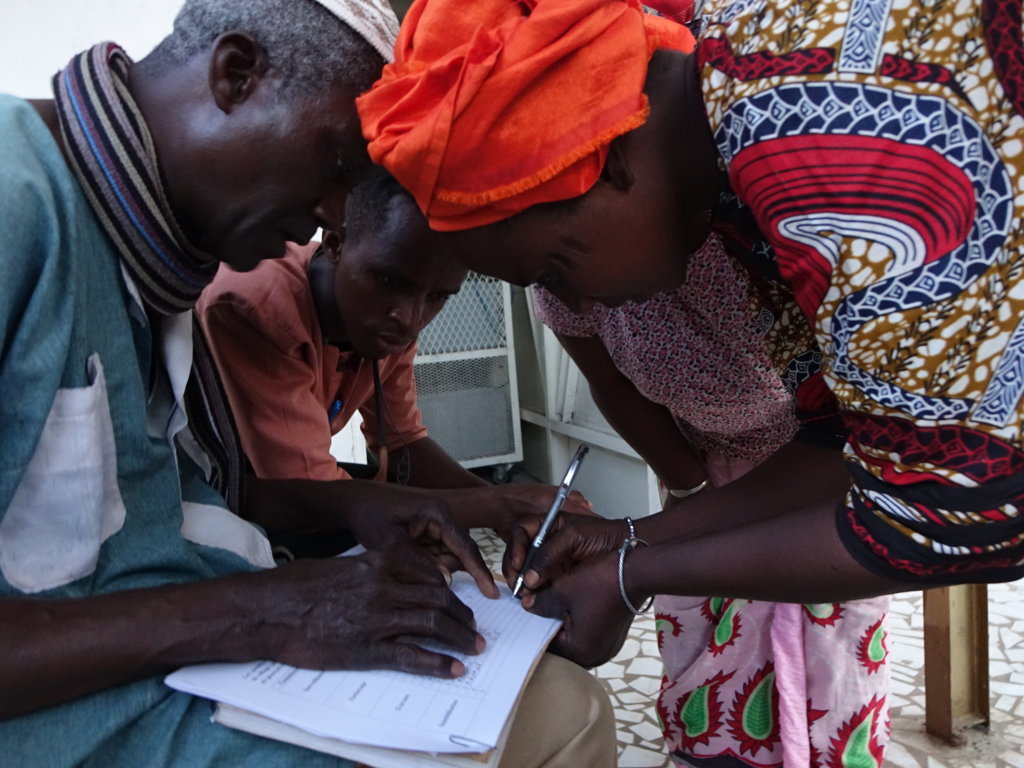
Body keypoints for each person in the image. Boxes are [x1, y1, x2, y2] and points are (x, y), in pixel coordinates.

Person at [0, 1, 615, 766]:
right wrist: (258, 613)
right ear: (236, 75)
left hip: (182, 655)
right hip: (83, 710)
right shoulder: (15, 199)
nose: (329, 216)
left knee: (552, 698)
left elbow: (168, 504)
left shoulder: (149, 267)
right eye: (335, 168)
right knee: (562, 719)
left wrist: (371, 506)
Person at [357, 0, 1024, 701]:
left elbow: (961, 512)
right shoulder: (732, 189)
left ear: (607, 161)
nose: (579, 306)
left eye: (555, 270)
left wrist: (632, 576)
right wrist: (627, 539)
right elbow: (835, 442)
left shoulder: (797, 130)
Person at [532, 232, 891, 767]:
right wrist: (685, 490)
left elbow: (852, 458)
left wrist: (633, 561)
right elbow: (607, 380)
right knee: (704, 675)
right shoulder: (564, 274)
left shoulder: (766, 248)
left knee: (827, 683)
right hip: (697, 471)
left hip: (821, 483)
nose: (577, 303)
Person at [197, 171, 591, 545]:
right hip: (212, 502)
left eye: (438, 296)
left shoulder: (387, 323)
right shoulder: (255, 308)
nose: (411, 318)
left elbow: (402, 442)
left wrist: (511, 514)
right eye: (389, 280)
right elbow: (309, 488)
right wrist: (496, 504)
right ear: (335, 243)